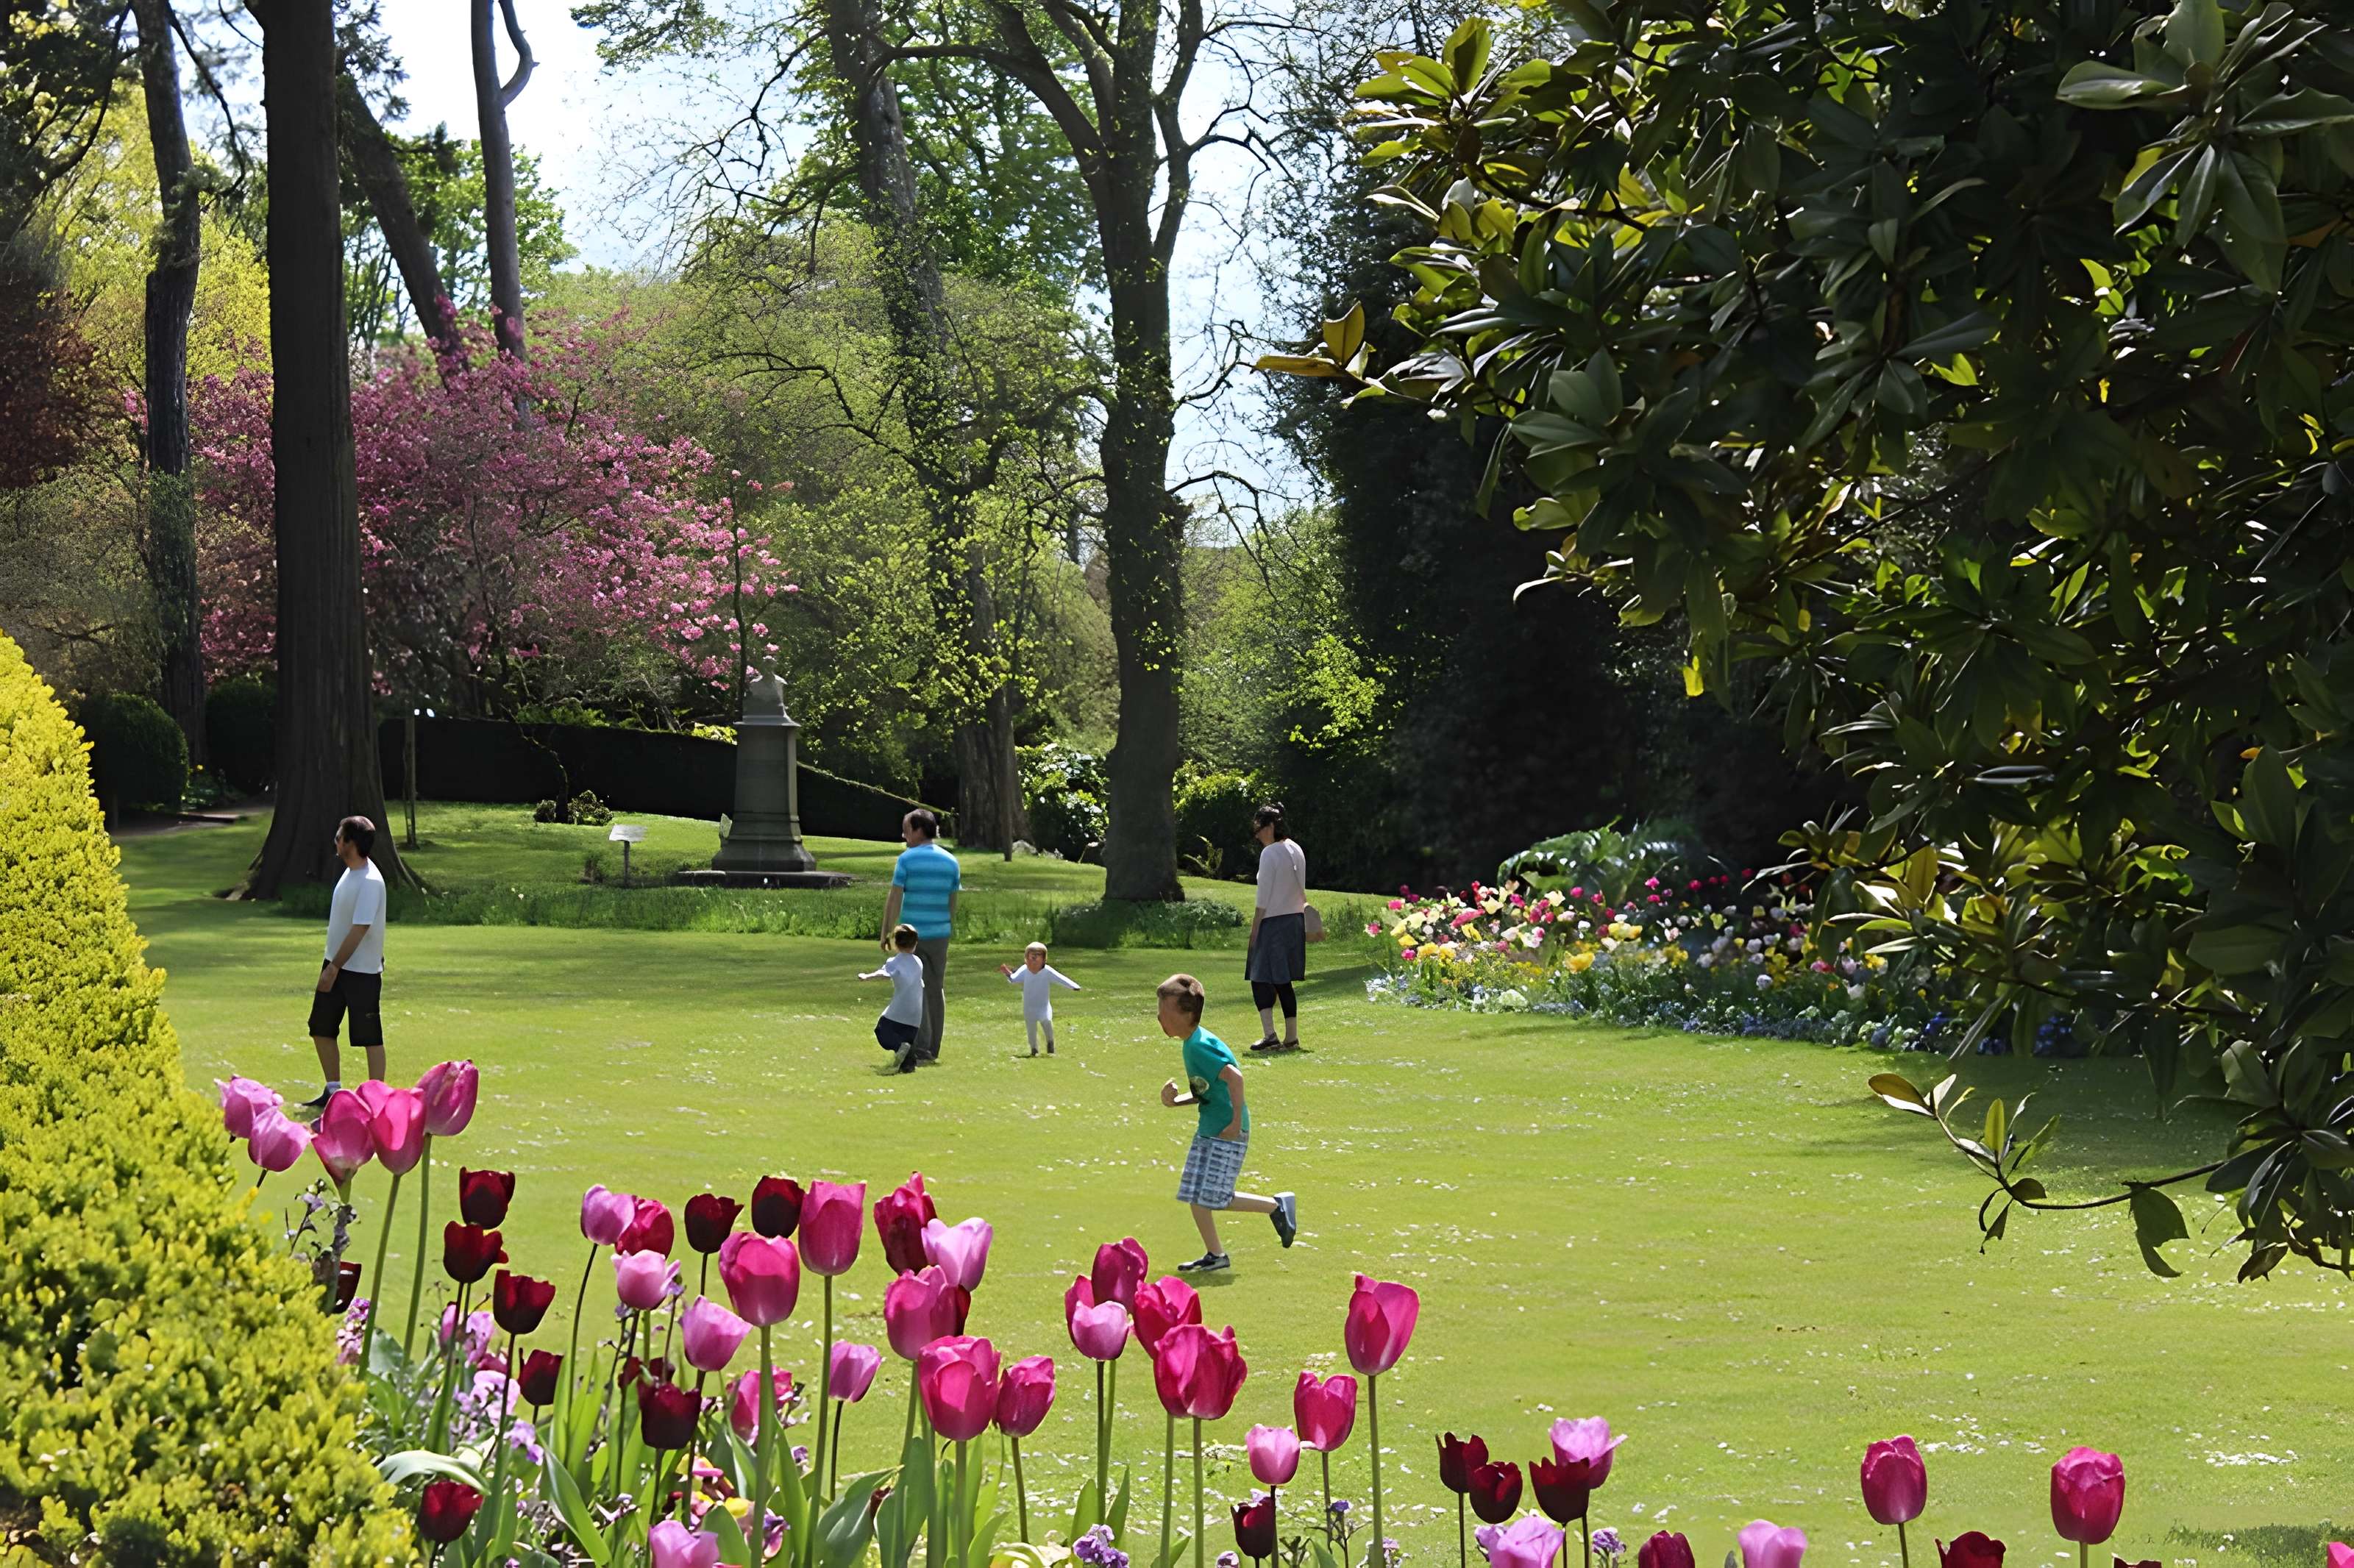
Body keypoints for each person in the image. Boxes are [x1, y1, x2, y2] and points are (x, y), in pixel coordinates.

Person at [1154, 972, 1298, 1272]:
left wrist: (1235, 1124)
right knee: (1196, 1194)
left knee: (1216, 1197)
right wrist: (1175, 1100)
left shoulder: (1200, 1045)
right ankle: (1215, 1255)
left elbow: (1235, 1077)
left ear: (1187, 1013)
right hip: (1209, 1130)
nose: (1159, 1018)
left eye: (1164, 1012)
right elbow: (1207, 1091)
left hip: (1226, 1131)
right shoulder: (1190, 1043)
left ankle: (1277, 1206)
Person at [299, 815, 387, 1111]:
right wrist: (332, 965)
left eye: (340, 837)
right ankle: (333, 1092)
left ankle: (377, 1100)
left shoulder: (370, 881)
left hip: (358, 972)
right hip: (336, 964)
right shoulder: (350, 873)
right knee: (320, 1028)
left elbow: (362, 928)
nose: (335, 841)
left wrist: (333, 968)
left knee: (370, 1036)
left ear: (351, 843)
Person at [880, 808, 959, 1064]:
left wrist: (887, 932)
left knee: (918, 989)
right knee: (936, 989)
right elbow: (952, 902)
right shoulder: (951, 861)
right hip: (941, 933)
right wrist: (946, 927)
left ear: (917, 830)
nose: (904, 836)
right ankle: (933, 1046)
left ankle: (922, 1048)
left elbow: (895, 898)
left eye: (906, 830)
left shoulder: (907, 859)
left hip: (913, 934)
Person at [1243, 802, 1309, 1052]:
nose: (1257, 835)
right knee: (1283, 982)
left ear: (1270, 826)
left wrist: (1255, 929)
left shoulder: (1269, 853)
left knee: (1259, 977)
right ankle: (1291, 1037)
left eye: (1259, 828)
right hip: (1294, 921)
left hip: (1272, 922)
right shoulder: (1296, 849)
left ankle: (1270, 1034)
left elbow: (1263, 898)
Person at [859, 924, 928, 1074]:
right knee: (907, 1042)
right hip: (916, 1014)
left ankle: (901, 1049)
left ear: (896, 944)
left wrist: (867, 977)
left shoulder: (894, 962)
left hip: (898, 1012)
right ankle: (908, 1064)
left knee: (882, 1031)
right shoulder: (918, 962)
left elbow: (883, 974)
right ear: (915, 943)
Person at [999, 941, 1081, 1057]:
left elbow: (1060, 978)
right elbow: (1014, 979)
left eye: (1038, 955)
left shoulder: (1047, 971)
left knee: (1047, 1022)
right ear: (1027, 958)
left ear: (1044, 959)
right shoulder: (1024, 970)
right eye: (1031, 955)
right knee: (1031, 1030)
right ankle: (1034, 1049)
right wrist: (1007, 973)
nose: (1034, 958)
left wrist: (1074, 986)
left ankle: (1050, 1044)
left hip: (1043, 1006)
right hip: (1029, 1007)